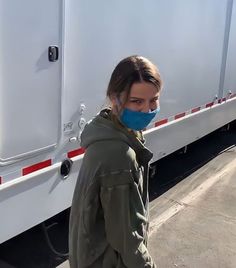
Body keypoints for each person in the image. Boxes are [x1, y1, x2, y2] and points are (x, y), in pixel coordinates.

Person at [69, 55, 162, 268]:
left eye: (153, 100)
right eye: (137, 101)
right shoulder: (119, 154)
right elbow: (127, 239)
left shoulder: (107, 132)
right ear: (114, 98)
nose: (147, 109)